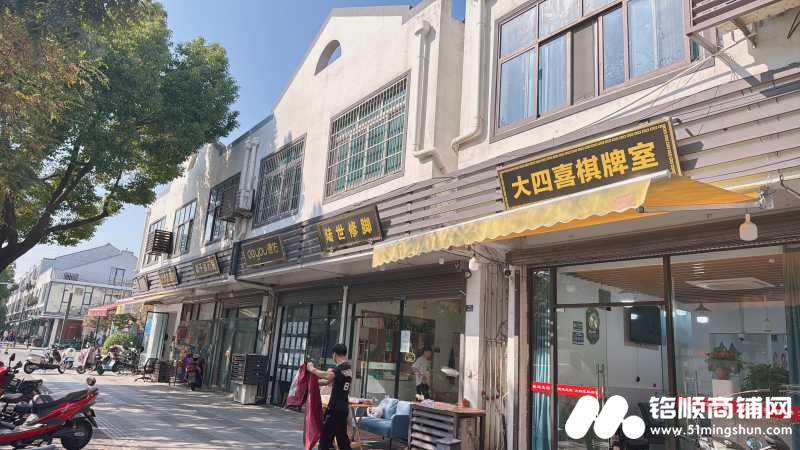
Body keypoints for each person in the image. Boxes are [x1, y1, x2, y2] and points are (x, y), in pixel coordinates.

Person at [307, 343, 352, 450]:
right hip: (342, 409)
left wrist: (312, 369)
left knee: (325, 440)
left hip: (335, 410)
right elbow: (327, 381)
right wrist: (313, 382)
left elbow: (328, 376)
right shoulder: (347, 368)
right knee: (342, 440)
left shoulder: (341, 368)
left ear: (334, 354)